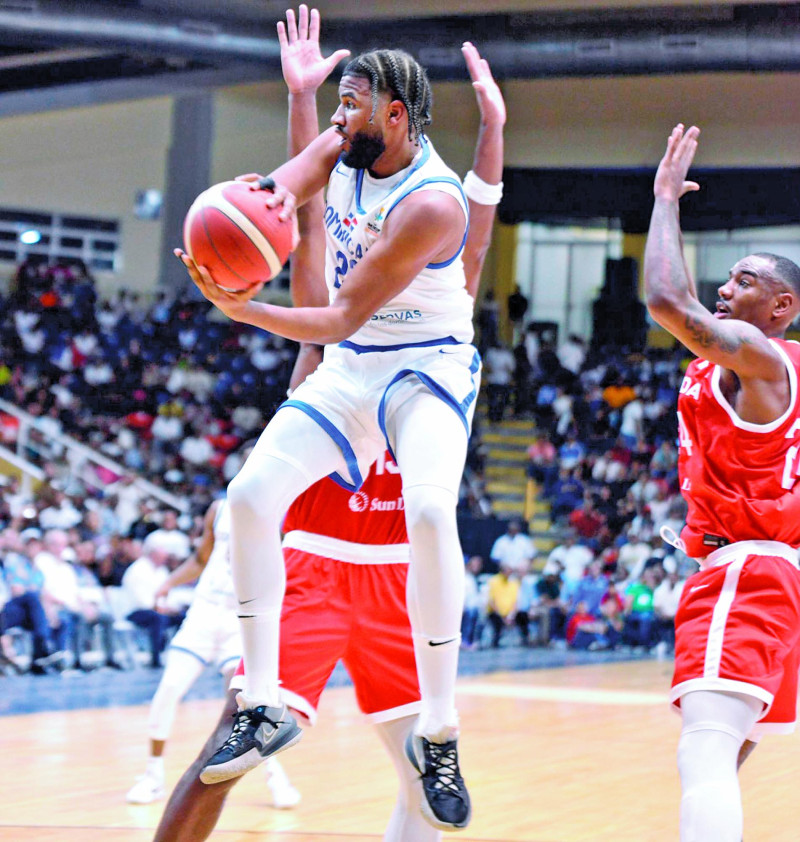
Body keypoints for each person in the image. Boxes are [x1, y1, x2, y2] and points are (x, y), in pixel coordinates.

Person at [176, 6, 504, 831]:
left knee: (430, 511)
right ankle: (263, 701)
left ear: (397, 116)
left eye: (350, 104)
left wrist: (239, 308)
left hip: (423, 367)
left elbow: (332, 320)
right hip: (357, 369)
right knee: (248, 499)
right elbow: (286, 195)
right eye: (337, 105)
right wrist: (295, 110)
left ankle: (440, 728)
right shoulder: (342, 141)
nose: (338, 117)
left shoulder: (434, 204)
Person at [643, 123, 800, 842]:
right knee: (725, 751)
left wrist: (665, 200)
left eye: (746, 281)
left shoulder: (761, 361)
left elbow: (667, 304)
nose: (725, 288)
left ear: (782, 309)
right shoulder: (767, 368)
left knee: (704, 751)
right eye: (728, 277)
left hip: (747, 571)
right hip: (777, 575)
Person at [125, 494, 299, 808]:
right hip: (203, 614)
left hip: (242, 618)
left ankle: (275, 775)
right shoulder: (220, 509)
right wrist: (168, 584)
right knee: (168, 689)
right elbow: (202, 559)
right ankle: (152, 776)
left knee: (246, 704)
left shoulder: (280, 510)